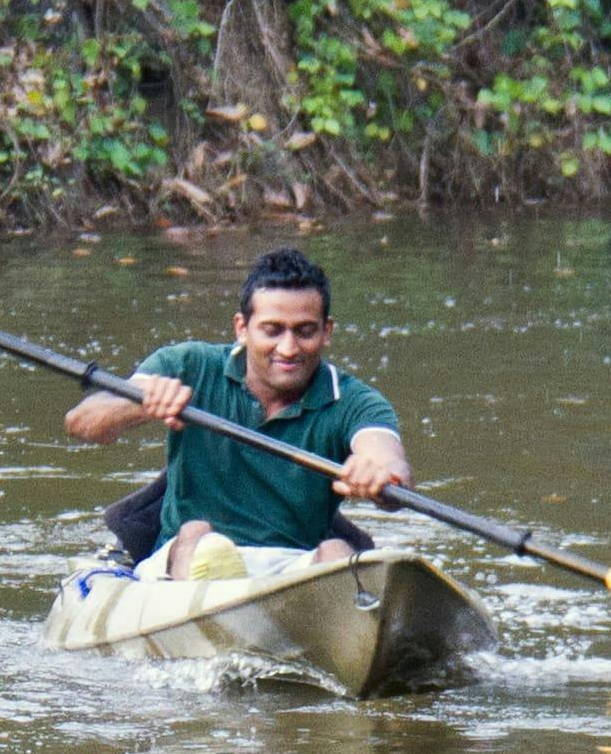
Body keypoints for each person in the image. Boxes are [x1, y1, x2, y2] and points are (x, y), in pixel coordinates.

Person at [61, 247, 417, 578]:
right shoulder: (187, 364)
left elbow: (388, 457)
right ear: (242, 329)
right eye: (272, 330)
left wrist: (382, 475)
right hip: (181, 563)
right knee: (198, 535)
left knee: (338, 549)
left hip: (292, 571)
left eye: (305, 332)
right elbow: (82, 422)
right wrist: (139, 403)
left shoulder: (355, 400)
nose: (289, 348)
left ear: (327, 331)